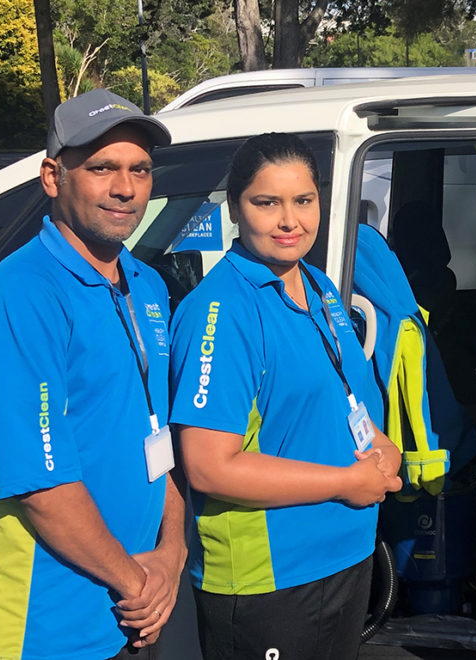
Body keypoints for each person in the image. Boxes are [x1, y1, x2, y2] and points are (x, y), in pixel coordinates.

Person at [169, 132, 402, 660]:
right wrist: (347, 481)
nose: (289, 220)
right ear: (234, 208)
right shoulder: (223, 312)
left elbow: (342, 396)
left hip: (345, 553)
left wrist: (383, 446)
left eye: (303, 200)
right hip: (270, 581)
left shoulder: (318, 286)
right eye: (266, 202)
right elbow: (209, 468)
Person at [0, 88, 186, 659]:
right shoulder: (23, 293)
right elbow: (41, 484)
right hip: (49, 625)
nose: (125, 188)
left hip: (135, 607)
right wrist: (137, 581)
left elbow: (151, 436)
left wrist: (171, 553)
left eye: (140, 169)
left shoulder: (146, 286)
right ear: (53, 177)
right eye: (101, 168)